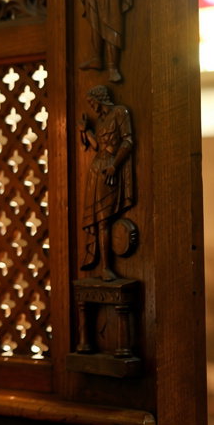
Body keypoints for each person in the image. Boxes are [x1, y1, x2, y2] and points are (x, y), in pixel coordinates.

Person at [78, 85, 135, 281]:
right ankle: (104, 267)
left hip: (110, 169)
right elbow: (97, 147)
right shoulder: (101, 122)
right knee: (99, 220)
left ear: (100, 98)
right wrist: (85, 132)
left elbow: (128, 141)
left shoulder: (120, 112)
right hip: (96, 169)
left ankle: (106, 267)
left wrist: (115, 166)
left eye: (92, 101)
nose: (92, 106)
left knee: (104, 220)